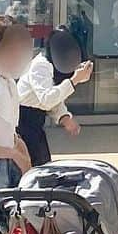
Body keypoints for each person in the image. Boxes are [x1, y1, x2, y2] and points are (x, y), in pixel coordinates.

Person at [0, 18, 34, 234]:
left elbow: (7, 128)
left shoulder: (7, 81)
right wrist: (14, 154)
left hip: (6, 165)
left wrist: (21, 151)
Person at [16, 27, 94, 166]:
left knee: (42, 165)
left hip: (35, 120)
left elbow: (53, 96)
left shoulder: (50, 64)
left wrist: (63, 117)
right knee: (32, 167)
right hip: (23, 121)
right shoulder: (41, 65)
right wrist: (74, 80)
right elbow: (46, 99)